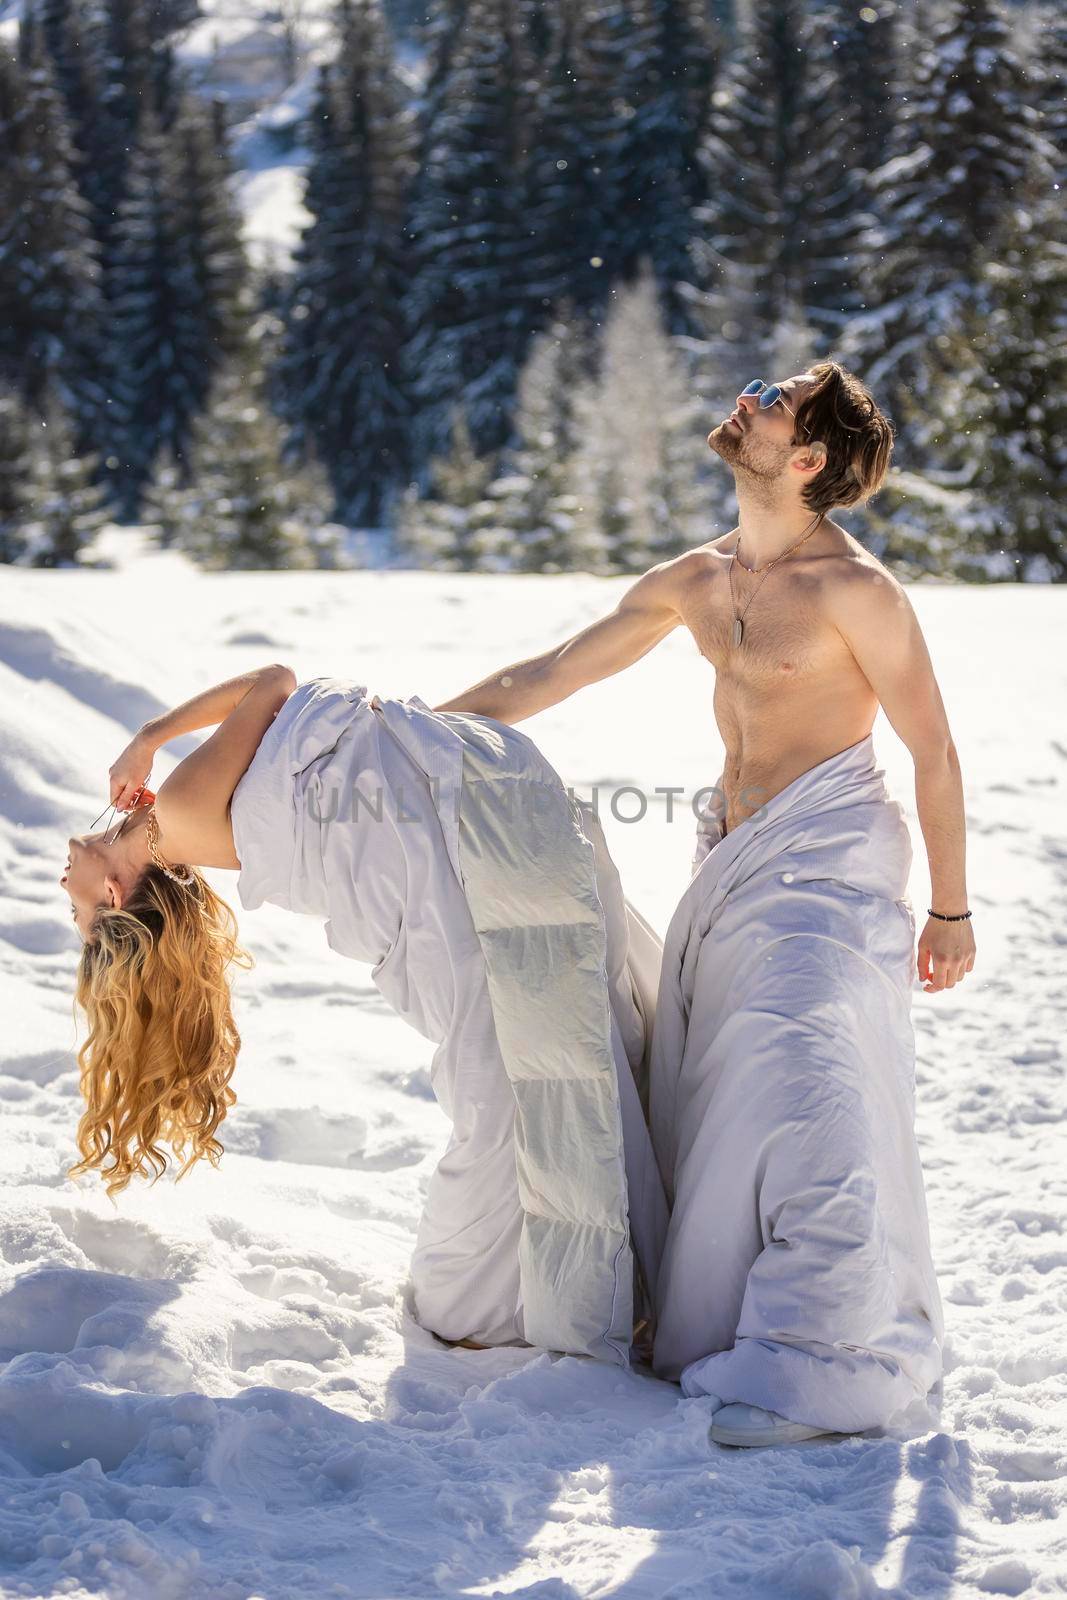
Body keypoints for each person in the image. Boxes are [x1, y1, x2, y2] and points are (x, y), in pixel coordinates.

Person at [432, 357, 971, 1446]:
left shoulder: (856, 591)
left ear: (806, 458)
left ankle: (820, 1363)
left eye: (771, 400)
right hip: (732, 857)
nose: (746, 397)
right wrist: (413, 734)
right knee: (726, 1090)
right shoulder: (695, 576)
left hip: (828, 858)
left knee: (803, 1075)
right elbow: (550, 675)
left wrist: (949, 911)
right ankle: (738, 1317)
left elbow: (932, 749)